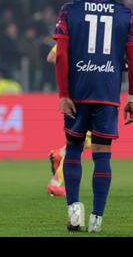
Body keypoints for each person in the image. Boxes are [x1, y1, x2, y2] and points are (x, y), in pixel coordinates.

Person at [53, 0, 133, 232]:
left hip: (77, 94)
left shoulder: (70, 10)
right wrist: (132, 98)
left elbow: (61, 57)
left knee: (75, 150)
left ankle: (73, 211)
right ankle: (97, 218)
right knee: (102, 154)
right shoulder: (126, 13)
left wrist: (63, 94)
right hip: (106, 95)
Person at [46, 46, 92, 197]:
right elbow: (52, 57)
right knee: (83, 140)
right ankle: (55, 183)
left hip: (84, 91)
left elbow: (52, 57)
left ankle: (60, 153)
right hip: (84, 92)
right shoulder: (76, 35)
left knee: (83, 139)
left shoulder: (76, 34)